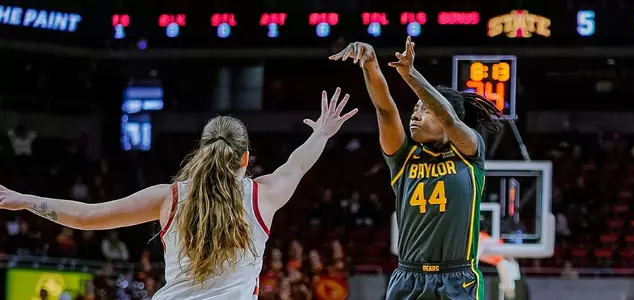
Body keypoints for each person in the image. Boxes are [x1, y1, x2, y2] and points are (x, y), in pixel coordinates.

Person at [0, 89, 357, 300]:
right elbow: (297, 164)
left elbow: (88, 217)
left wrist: (25, 200)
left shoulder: (168, 197)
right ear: (246, 158)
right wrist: (322, 132)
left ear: (202, 151)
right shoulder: (263, 196)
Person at [330, 36, 502, 300]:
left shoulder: (469, 154)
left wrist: (411, 75)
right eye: (414, 109)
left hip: (457, 279)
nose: (415, 115)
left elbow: (449, 118)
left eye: (425, 110)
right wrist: (370, 64)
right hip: (407, 277)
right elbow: (385, 110)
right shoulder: (403, 158)